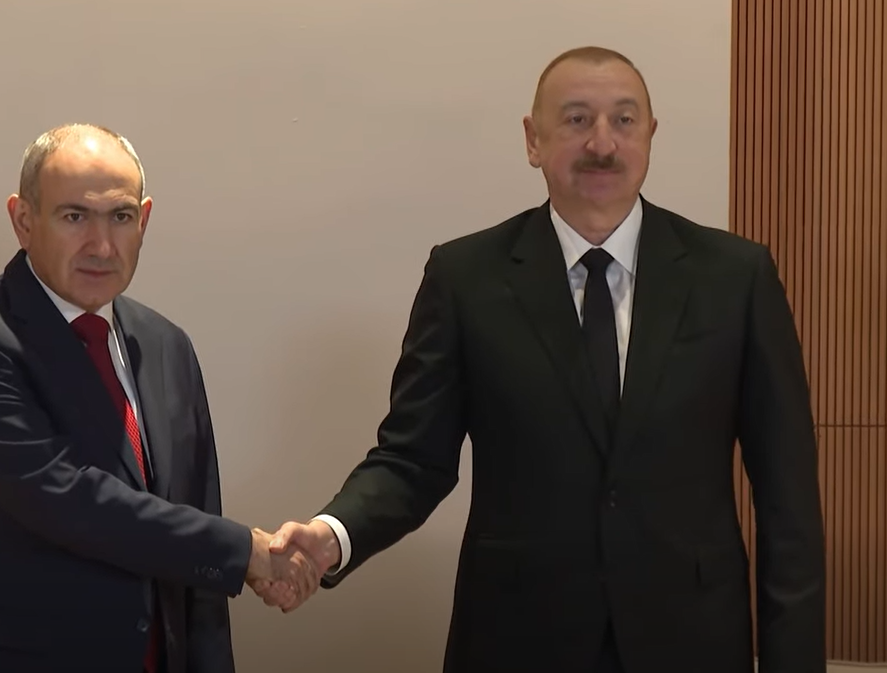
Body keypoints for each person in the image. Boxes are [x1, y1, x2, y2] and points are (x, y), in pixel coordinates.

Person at [262, 47, 827, 673]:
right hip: (517, 639)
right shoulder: (465, 278)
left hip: (692, 640)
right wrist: (331, 536)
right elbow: (413, 460)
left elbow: (789, 502)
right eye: (578, 120)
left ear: (650, 135)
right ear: (534, 139)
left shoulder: (736, 278)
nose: (602, 144)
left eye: (624, 120)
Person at [0, 123, 315, 673]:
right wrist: (247, 553)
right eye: (74, 216)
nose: (101, 246)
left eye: (120, 217)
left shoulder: (166, 344)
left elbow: (194, 525)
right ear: (23, 220)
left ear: (143, 220)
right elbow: (68, 499)